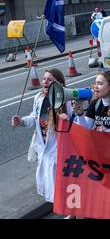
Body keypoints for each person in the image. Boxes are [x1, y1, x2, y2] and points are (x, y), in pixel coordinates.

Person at [11, 69, 71, 203]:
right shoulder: (38, 98)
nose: (45, 81)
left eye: (50, 79)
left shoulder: (66, 99)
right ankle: (63, 209)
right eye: (44, 78)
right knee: (50, 185)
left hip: (58, 149)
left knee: (62, 183)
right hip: (43, 148)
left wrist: (65, 120)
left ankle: (70, 212)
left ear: (59, 83)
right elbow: (34, 117)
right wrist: (21, 121)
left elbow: (75, 123)